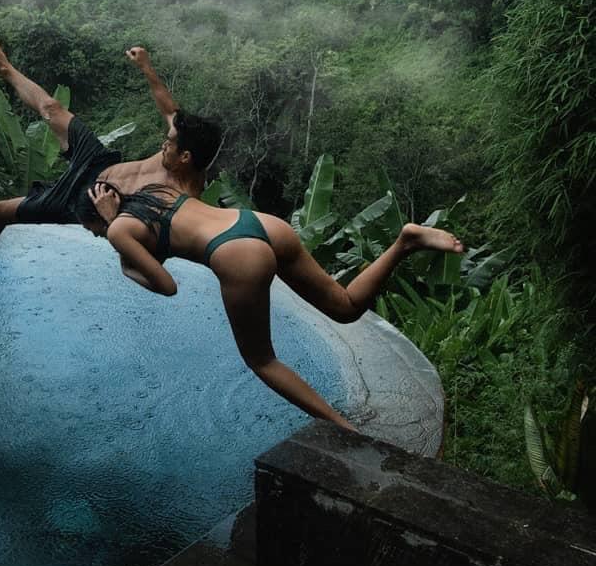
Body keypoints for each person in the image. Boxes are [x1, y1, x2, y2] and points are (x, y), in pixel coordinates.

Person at [82, 179, 465, 432]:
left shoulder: (118, 229)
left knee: (262, 361)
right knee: (345, 307)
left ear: (98, 216)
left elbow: (166, 286)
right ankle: (405, 241)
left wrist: (122, 255)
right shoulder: (155, 192)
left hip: (236, 255)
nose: (100, 237)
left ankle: (344, 430)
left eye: (93, 231)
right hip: (261, 225)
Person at [0, 34, 222, 258]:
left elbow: (150, 251)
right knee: (52, 108)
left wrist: (111, 220)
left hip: (80, 201)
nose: (163, 143)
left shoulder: (183, 202)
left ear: (185, 157)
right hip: (98, 162)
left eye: (168, 145)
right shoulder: (184, 138)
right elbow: (170, 110)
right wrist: (146, 67)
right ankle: (7, 69)